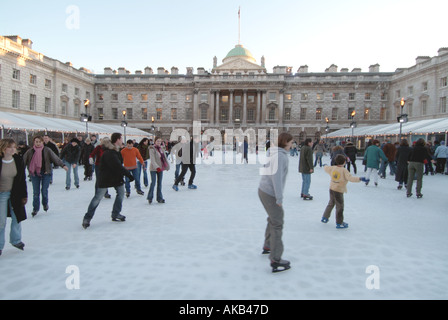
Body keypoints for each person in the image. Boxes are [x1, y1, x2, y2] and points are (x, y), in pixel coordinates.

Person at [82, 133, 134, 229]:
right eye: (121, 138)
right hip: (106, 178)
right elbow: (117, 166)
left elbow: (119, 165)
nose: (122, 140)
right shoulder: (110, 152)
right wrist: (128, 174)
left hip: (116, 177)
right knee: (98, 197)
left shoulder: (116, 151)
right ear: (117, 140)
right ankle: (87, 218)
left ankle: (116, 213)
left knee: (121, 193)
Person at [258, 132, 293, 273]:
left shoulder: (275, 153)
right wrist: (279, 198)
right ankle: (276, 258)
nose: (292, 144)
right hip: (269, 192)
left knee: (272, 218)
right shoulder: (279, 156)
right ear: (285, 142)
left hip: (264, 189)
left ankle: (267, 245)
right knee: (277, 221)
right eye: (291, 142)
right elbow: (276, 178)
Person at [23, 136, 68, 217]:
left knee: (44, 191)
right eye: (36, 142)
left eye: (39, 142)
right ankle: (35, 208)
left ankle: (45, 203)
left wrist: (63, 165)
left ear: (42, 142)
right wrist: (19, 171)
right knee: (36, 193)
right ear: (34, 142)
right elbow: (23, 161)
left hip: (46, 172)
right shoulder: (30, 151)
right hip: (34, 174)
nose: (38, 143)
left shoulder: (47, 150)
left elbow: (55, 158)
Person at [321, 154, 367, 229]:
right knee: (340, 206)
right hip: (338, 190)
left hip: (332, 189)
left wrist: (325, 165)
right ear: (344, 162)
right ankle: (339, 222)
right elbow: (350, 178)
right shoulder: (344, 170)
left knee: (331, 203)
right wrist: (360, 179)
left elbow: (326, 168)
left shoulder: (333, 168)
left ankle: (325, 217)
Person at [0, 139, 28, 256]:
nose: (13, 149)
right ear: (3, 148)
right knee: (1, 221)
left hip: (15, 193)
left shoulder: (17, 159)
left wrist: (24, 195)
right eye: (10, 147)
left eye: (14, 147)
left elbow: (22, 179)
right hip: (2, 194)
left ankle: (16, 240)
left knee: (17, 217)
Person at [147, 137, 170, 204]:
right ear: (154, 141)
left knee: (159, 183)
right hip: (154, 168)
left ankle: (159, 198)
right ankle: (150, 197)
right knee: (153, 182)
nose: (159, 142)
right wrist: (157, 167)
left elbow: (164, 158)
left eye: (160, 141)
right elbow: (152, 159)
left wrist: (167, 166)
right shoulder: (152, 148)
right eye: (157, 141)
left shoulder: (161, 149)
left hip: (161, 168)